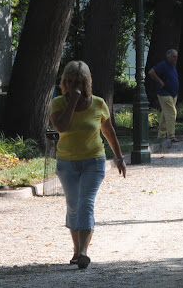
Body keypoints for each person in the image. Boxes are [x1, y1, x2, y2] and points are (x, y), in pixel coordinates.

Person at [49, 61, 126, 269]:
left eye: (79, 82)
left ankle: (84, 251)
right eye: (69, 81)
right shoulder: (58, 104)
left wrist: (118, 158)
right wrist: (72, 102)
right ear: (64, 82)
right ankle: (76, 250)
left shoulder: (99, 103)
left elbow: (108, 132)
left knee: (85, 203)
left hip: (94, 161)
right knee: (73, 205)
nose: (74, 85)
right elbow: (62, 128)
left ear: (86, 83)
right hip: (67, 163)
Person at [147, 49, 179, 142]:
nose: (175, 59)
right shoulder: (163, 65)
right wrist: (160, 81)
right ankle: (171, 136)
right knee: (172, 112)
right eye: (174, 57)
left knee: (166, 115)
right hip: (164, 93)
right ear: (168, 57)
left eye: (176, 57)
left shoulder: (172, 66)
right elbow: (151, 72)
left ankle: (161, 135)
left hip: (173, 94)